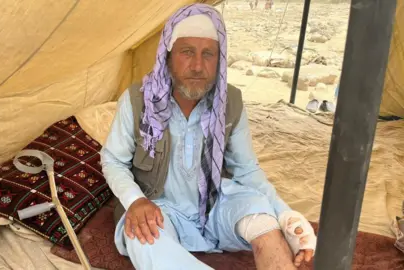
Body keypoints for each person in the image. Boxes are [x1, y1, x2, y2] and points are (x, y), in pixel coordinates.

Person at [101, 4, 316, 270]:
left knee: (262, 215)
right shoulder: (137, 100)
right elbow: (113, 161)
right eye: (187, 52)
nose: (198, 66)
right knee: (142, 237)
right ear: (168, 56)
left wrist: (286, 216)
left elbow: (247, 169)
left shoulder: (231, 101)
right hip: (158, 207)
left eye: (208, 54)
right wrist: (136, 201)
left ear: (219, 59)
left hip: (215, 206)